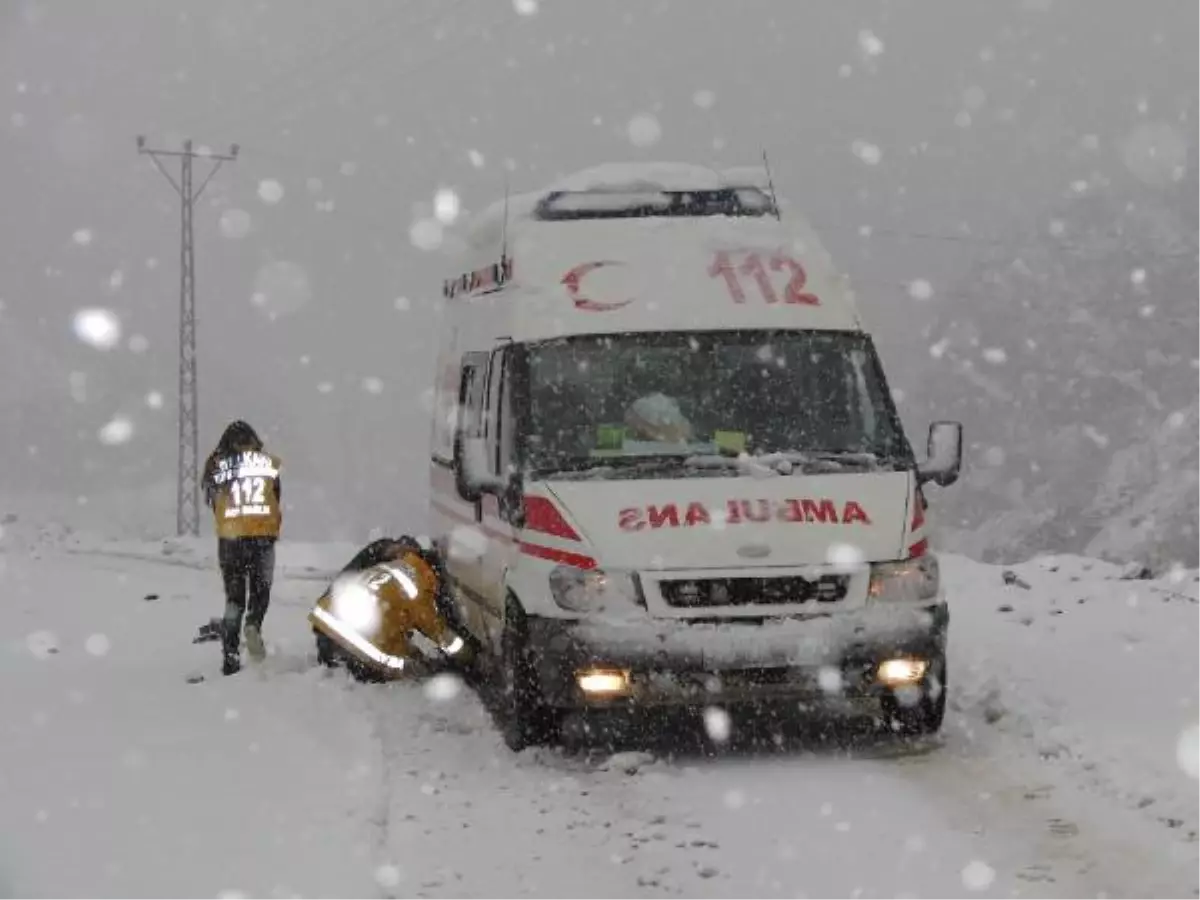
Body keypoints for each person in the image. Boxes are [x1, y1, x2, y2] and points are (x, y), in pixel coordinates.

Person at [310, 535, 476, 680]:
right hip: (354, 645)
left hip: (327, 625)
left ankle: (335, 661)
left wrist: (414, 653)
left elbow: (389, 628)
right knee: (404, 667)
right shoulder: (420, 590)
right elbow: (440, 634)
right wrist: (466, 655)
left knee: (401, 650)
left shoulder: (393, 567)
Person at [201, 420, 282, 676]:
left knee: (234, 599)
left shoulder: (215, 466)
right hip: (262, 538)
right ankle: (254, 624)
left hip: (231, 541)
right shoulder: (268, 463)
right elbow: (276, 498)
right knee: (261, 591)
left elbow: (213, 504)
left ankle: (231, 656)